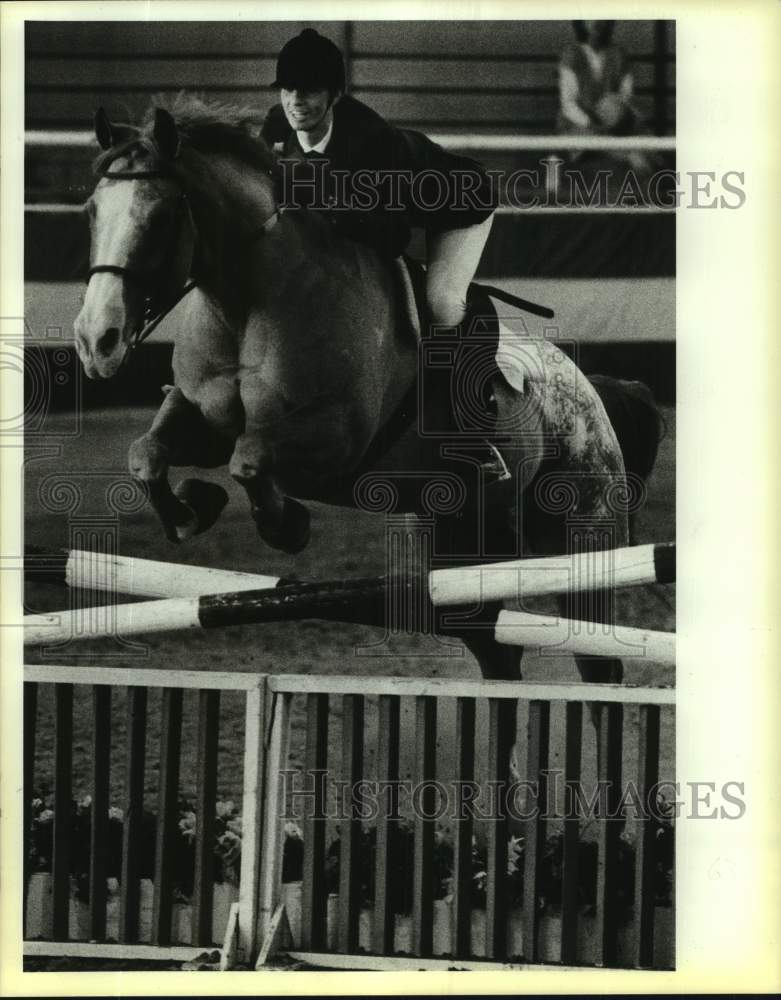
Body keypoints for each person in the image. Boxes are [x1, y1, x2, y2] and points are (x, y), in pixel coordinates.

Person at [261, 28, 496, 330]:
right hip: (395, 207)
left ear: (336, 94)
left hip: (461, 201)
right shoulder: (277, 124)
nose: (295, 102)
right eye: (287, 90)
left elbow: (394, 237)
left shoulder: (374, 142)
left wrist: (330, 202)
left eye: (309, 91)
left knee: (442, 305)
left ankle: (473, 372)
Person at [553, 20, 652, 182]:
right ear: (581, 23)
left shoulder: (619, 54)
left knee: (650, 148)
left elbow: (626, 97)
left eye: (602, 19)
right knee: (628, 154)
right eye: (591, 19)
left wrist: (614, 114)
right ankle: (627, 155)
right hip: (578, 127)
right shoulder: (571, 54)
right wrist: (594, 124)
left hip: (615, 125)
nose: (597, 24)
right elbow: (568, 105)